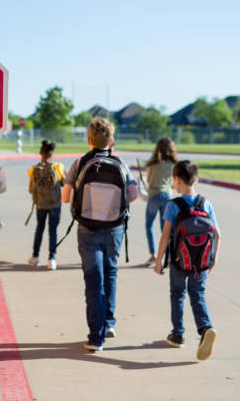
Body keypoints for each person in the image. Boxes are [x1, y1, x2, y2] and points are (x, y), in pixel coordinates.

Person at [62, 117, 138, 351]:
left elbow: (66, 198)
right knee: (110, 272)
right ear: (112, 140)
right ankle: (109, 322)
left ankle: (96, 337)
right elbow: (133, 194)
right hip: (114, 227)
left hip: (87, 228)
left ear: (88, 140)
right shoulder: (120, 163)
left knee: (93, 280)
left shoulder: (80, 162)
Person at [154, 160, 221, 361]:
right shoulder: (206, 204)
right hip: (201, 262)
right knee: (197, 294)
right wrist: (213, 258)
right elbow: (217, 234)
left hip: (178, 260)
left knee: (177, 294)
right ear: (196, 180)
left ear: (176, 180)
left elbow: (165, 235)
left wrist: (159, 261)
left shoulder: (173, 205)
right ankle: (205, 328)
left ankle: (178, 334)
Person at [27, 140, 66, 270]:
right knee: (52, 231)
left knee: (39, 229)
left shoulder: (34, 169)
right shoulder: (58, 167)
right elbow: (64, 184)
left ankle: (35, 257)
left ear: (40, 153)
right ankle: (51, 259)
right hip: (54, 204)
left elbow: (30, 189)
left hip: (40, 205)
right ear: (52, 154)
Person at [144, 137, 179, 265]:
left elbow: (148, 181)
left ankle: (153, 255)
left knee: (149, 225)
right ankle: (168, 257)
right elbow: (174, 184)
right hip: (168, 197)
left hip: (154, 196)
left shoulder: (153, 164)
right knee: (166, 228)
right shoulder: (173, 164)